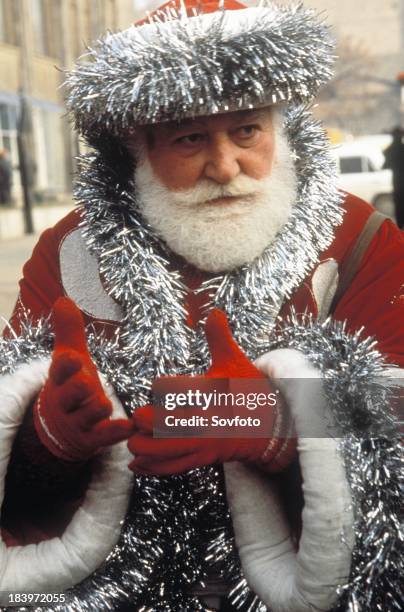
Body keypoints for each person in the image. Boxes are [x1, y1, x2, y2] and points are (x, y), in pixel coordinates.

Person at [0, 1, 402, 611]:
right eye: (190, 139)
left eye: (247, 131)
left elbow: (394, 417)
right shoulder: (69, 252)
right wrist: (49, 434)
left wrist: (281, 424)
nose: (225, 166)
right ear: (138, 148)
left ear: (279, 127)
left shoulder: (362, 241)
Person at [383, 126, 404, 228]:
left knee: (399, 211)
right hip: (400, 185)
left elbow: (385, 165)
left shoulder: (389, 151)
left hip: (397, 185)